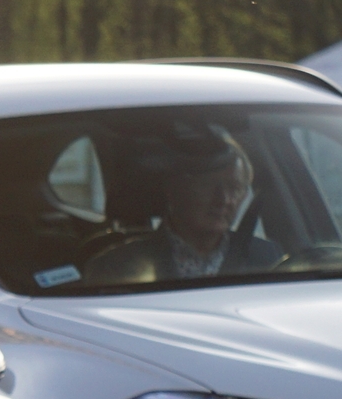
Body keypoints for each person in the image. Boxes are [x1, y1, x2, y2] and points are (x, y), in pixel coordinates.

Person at [86, 122, 283, 284]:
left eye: (234, 188)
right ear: (174, 189)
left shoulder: (268, 258)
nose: (223, 200)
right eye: (207, 185)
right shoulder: (115, 267)